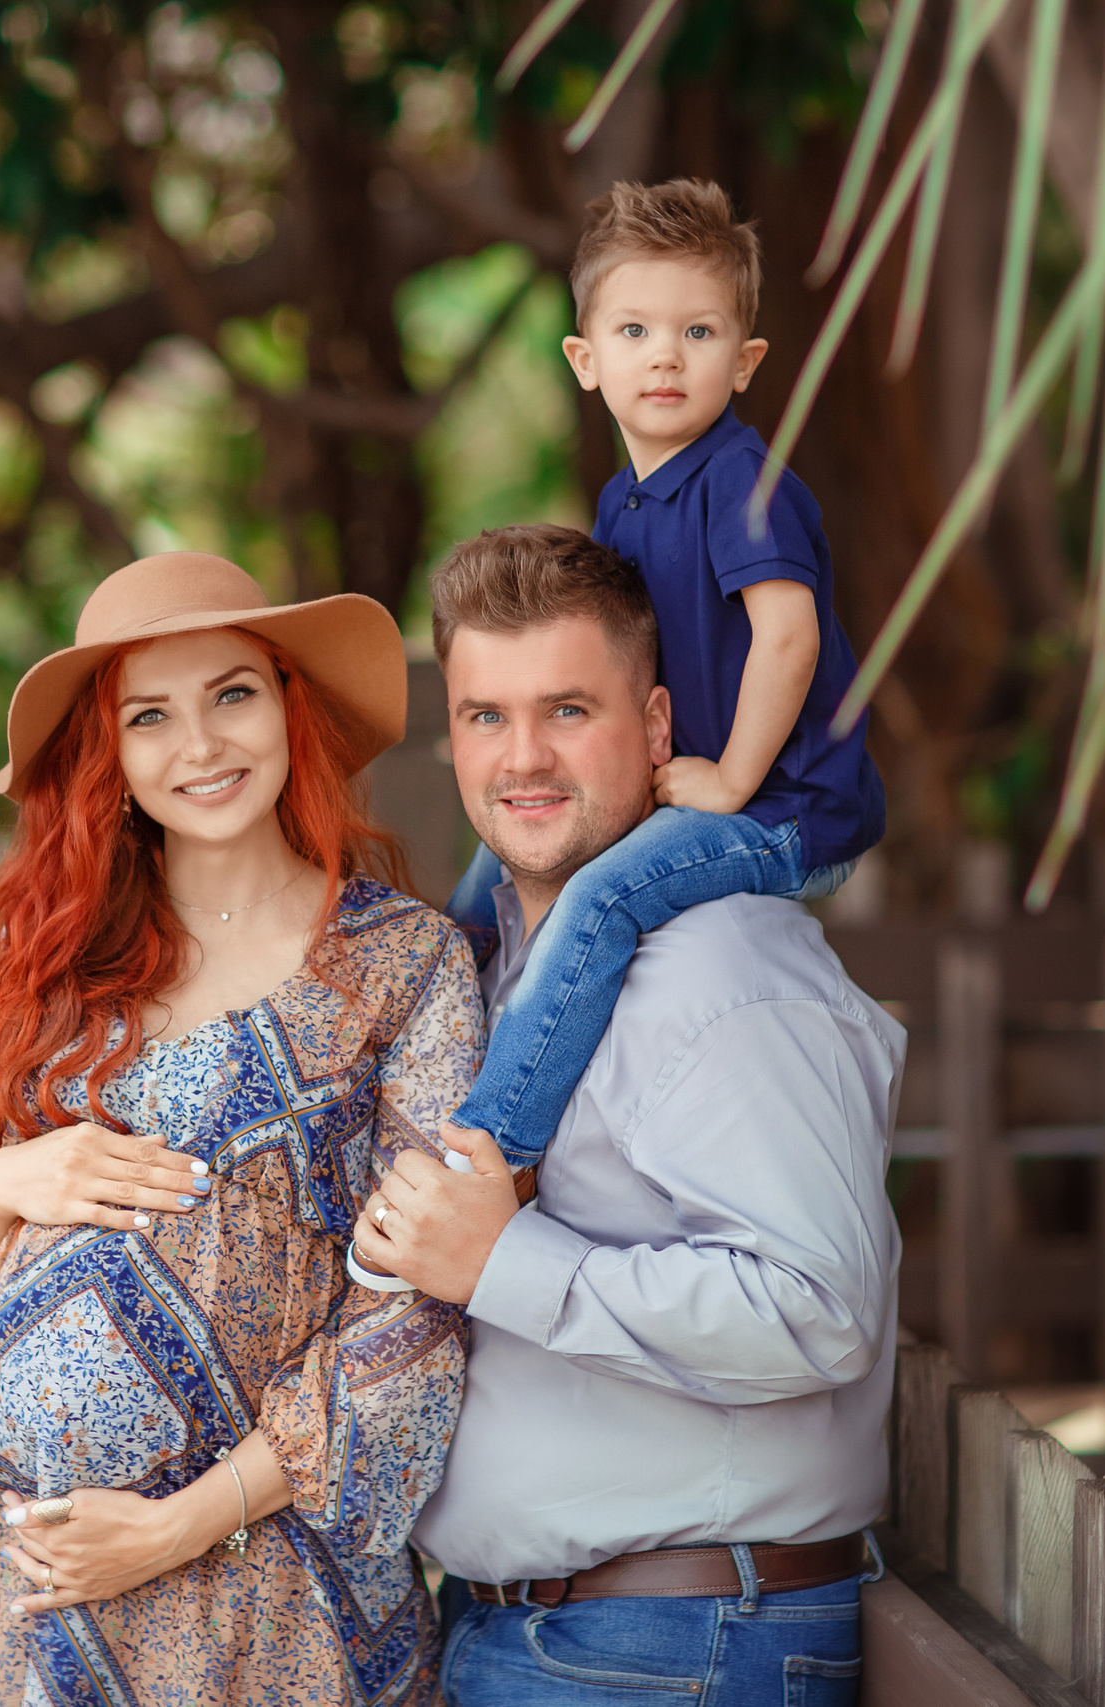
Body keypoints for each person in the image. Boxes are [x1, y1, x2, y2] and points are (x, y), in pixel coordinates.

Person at [0, 552, 484, 1706]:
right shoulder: (42, 979)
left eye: (232, 693)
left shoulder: (402, 968)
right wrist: (4, 1179)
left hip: (256, 1585)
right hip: (1, 1582)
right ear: (109, 755)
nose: (199, 745)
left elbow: (409, 1320)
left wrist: (177, 1526)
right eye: (149, 715)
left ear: (288, 704)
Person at [359, 527, 904, 1705]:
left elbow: (818, 1313)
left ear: (656, 728)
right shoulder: (505, 966)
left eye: (568, 710)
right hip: (544, 1636)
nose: (523, 759)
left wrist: (503, 1260)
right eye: (484, 717)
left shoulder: (721, 971)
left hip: (674, 1645)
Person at [443, 178, 887, 1169]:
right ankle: (422, 1028)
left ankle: (489, 1146)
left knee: (599, 896)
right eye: (636, 330)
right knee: (497, 862)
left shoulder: (740, 481)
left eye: (697, 332)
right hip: (701, 780)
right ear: (585, 360)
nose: (665, 355)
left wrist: (729, 782)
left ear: (744, 362)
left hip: (784, 808)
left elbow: (789, 639)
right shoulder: (625, 500)